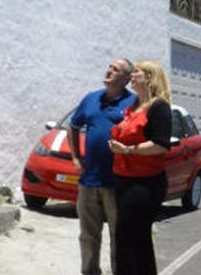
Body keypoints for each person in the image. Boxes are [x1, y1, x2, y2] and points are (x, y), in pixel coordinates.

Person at [68, 59, 136, 275]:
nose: (109, 70)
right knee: (88, 235)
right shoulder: (91, 99)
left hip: (119, 182)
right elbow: (73, 126)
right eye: (109, 66)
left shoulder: (134, 103)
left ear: (126, 78)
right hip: (89, 181)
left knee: (120, 236)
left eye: (115, 69)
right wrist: (76, 159)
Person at [108, 60, 173, 275]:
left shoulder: (159, 107)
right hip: (124, 180)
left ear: (149, 78)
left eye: (136, 72)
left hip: (145, 183)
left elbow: (160, 144)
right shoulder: (134, 106)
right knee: (134, 238)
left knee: (129, 237)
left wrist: (127, 149)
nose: (132, 76)